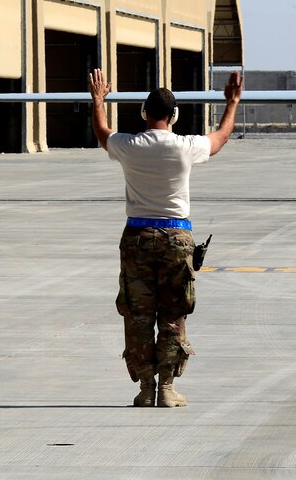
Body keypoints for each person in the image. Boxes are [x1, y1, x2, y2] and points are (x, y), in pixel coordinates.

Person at [88, 68, 242, 407]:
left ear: (144, 113)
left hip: (137, 236)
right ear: (174, 117)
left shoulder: (128, 145)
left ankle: (145, 387)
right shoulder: (185, 147)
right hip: (177, 236)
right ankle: (167, 389)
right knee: (173, 313)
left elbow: (102, 133)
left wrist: (98, 100)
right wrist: (231, 103)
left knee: (138, 313)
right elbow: (221, 137)